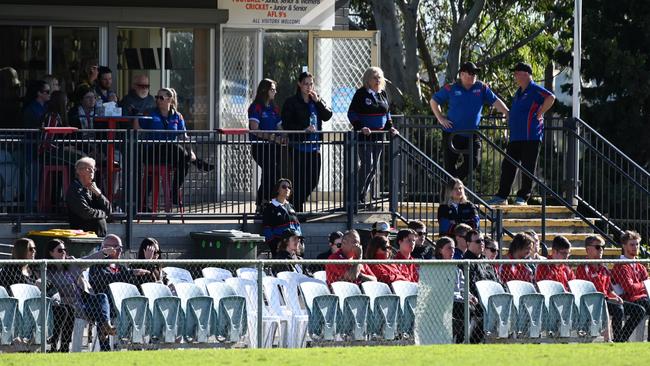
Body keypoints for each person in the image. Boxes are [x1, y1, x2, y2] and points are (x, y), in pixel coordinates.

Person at [488, 62, 556, 205]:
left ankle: (523, 197)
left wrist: (540, 112)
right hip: (516, 137)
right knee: (507, 165)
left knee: (528, 167)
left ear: (526, 74)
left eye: (517, 73)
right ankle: (502, 196)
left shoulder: (535, 89)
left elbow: (551, 97)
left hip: (531, 136)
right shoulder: (518, 92)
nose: (515, 76)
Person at [430, 61, 509, 180]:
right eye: (470, 73)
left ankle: (453, 183)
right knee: (449, 167)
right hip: (452, 133)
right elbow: (434, 101)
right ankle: (448, 194)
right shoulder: (451, 88)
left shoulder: (481, 88)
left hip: (472, 134)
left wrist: (508, 113)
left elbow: (495, 101)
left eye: (475, 73)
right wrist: (440, 118)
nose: (473, 76)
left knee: (474, 161)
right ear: (461, 74)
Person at [0, 238, 74, 351]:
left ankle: (61, 346)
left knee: (65, 309)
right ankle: (49, 345)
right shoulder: (10, 269)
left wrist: (47, 288)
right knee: (60, 310)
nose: (34, 251)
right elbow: (9, 291)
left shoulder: (33, 269)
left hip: (37, 307)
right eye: (30, 249)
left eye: (35, 248)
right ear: (21, 251)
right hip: (20, 310)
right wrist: (35, 286)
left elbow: (50, 286)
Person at [46, 239, 117, 351]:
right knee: (100, 315)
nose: (63, 252)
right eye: (60, 250)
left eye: (64, 250)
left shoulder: (72, 263)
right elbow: (46, 286)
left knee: (102, 296)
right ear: (51, 253)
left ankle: (106, 325)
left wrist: (103, 252)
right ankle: (105, 346)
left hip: (86, 301)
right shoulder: (48, 271)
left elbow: (88, 260)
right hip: (71, 306)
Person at [138, 87, 204, 205]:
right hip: (153, 152)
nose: (158, 100)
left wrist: (191, 151)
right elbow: (137, 127)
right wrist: (138, 114)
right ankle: (198, 163)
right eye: (156, 97)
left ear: (170, 100)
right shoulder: (151, 113)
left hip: (171, 153)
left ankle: (174, 191)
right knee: (176, 148)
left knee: (185, 160)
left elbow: (184, 137)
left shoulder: (177, 116)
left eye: (161, 98)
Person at [281, 71, 333, 212]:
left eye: (311, 83)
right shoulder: (291, 102)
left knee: (313, 180)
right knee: (300, 180)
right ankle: (297, 209)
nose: (308, 87)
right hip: (299, 146)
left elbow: (328, 115)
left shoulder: (316, 100)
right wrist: (304, 129)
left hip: (314, 147)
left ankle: (295, 205)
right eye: (305, 84)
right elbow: (287, 123)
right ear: (299, 84)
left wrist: (318, 102)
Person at [576, 235, 644, 342]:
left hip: (607, 300)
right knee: (618, 309)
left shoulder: (604, 269)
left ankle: (621, 339)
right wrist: (608, 298)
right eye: (598, 247)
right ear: (588, 249)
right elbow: (585, 291)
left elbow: (609, 289)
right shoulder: (583, 268)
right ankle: (617, 339)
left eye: (603, 247)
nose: (601, 250)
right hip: (594, 302)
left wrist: (616, 296)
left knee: (639, 310)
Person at [348, 66, 398, 204]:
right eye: (374, 78)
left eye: (379, 77)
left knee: (374, 168)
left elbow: (387, 114)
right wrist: (361, 127)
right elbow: (351, 113)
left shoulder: (383, 93)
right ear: (367, 80)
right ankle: (355, 195)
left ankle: (362, 195)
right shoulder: (361, 93)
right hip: (365, 136)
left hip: (379, 136)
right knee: (367, 165)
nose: (377, 80)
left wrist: (391, 128)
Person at [248, 78, 283, 212]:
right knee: (269, 170)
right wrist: (271, 137)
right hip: (260, 146)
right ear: (265, 90)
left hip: (273, 146)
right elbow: (254, 128)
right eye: (272, 89)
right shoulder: (256, 107)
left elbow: (280, 127)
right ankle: (261, 202)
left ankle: (271, 201)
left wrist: (284, 136)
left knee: (275, 173)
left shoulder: (274, 108)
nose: (275, 92)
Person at [435, 236, 478, 343]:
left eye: (454, 248)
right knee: (466, 309)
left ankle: (459, 340)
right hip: (443, 301)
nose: (452, 251)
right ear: (440, 250)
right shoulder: (433, 266)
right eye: (449, 248)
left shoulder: (456, 269)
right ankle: (456, 338)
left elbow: (463, 288)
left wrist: (470, 296)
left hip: (458, 300)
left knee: (474, 308)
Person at [463, 229, 501, 343]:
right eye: (478, 241)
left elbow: (497, 281)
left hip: (493, 300)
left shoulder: (486, 262)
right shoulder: (466, 262)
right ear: (468, 244)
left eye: (483, 240)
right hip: (477, 302)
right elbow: (470, 285)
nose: (482, 243)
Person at [611, 230, 650, 341]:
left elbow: (647, 285)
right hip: (627, 299)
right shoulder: (621, 265)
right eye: (632, 244)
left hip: (642, 298)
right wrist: (643, 284)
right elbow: (630, 289)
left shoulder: (640, 266)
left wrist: (641, 285)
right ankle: (621, 338)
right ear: (624, 246)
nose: (635, 247)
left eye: (637, 244)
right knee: (641, 307)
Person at [66, 157, 111, 237]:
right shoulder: (74, 189)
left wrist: (99, 194)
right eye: (89, 169)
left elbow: (109, 209)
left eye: (93, 168)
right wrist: (103, 214)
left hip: (97, 236)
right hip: (82, 236)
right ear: (79, 171)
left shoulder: (93, 188)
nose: (92, 171)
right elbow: (85, 213)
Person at [262, 178, 302, 256]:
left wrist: (300, 243)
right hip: (280, 250)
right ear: (277, 190)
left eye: (289, 187)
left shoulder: (291, 207)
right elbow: (267, 230)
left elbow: (298, 226)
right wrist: (276, 246)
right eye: (284, 187)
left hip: (295, 249)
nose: (287, 189)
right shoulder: (270, 208)